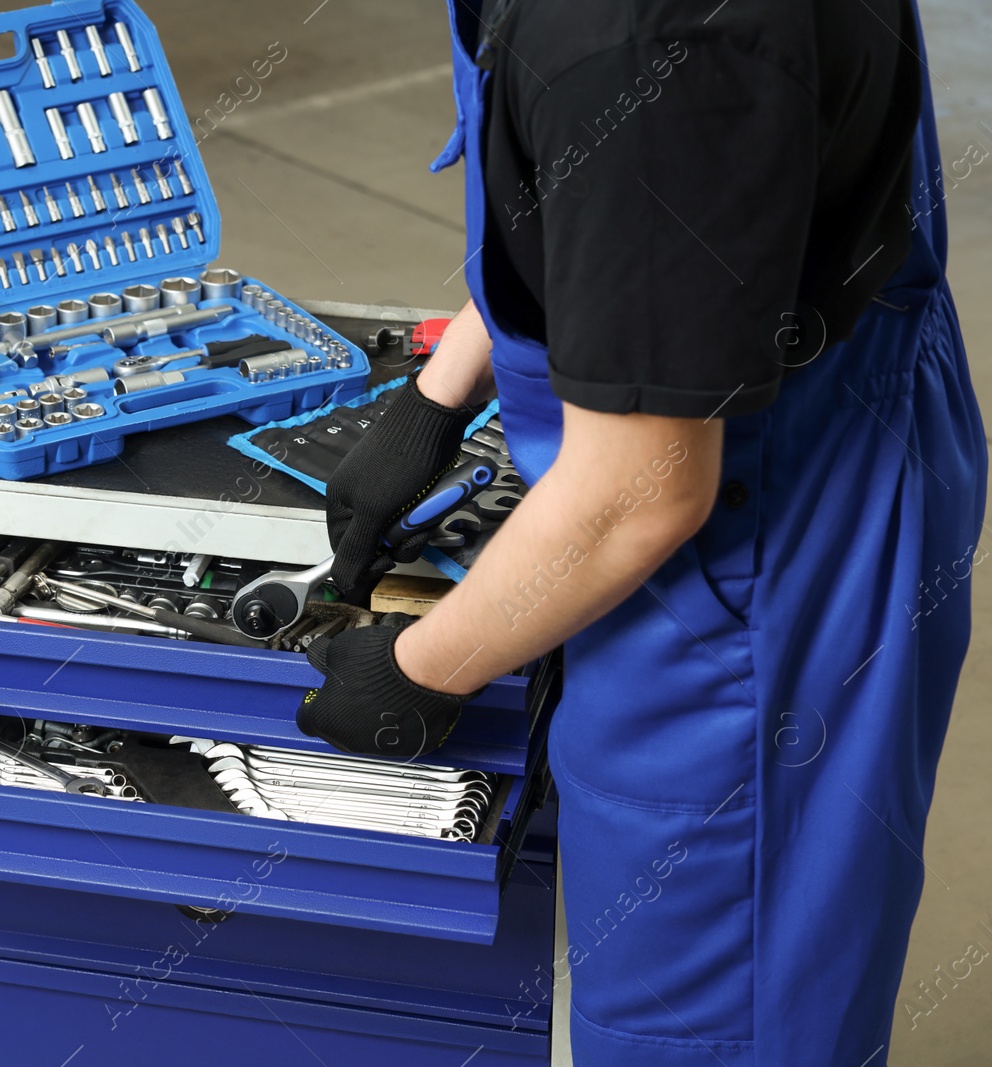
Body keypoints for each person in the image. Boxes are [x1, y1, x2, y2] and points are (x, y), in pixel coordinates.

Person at [296, 0, 987, 1062]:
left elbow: (640, 494)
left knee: (717, 1010)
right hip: (749, 411)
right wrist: (442, 390)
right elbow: (653, 220)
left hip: (757, 553)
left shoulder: (648, 37)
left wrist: (418, 670)